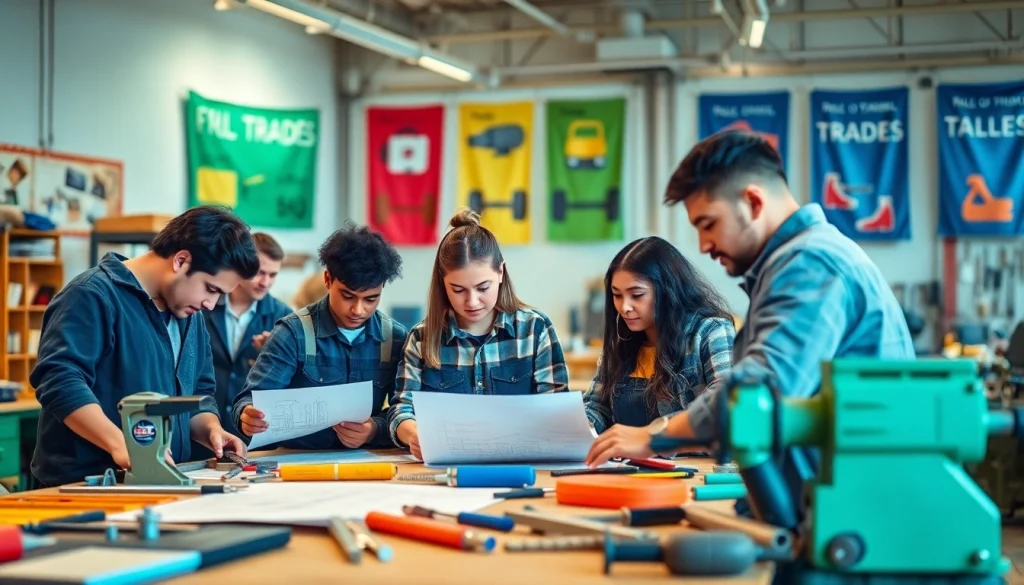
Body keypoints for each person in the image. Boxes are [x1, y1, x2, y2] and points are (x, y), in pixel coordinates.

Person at [585, 129, 914, 516]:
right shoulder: (797, 263)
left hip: (857, 506)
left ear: (753, 201)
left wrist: (654, 437)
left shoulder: (809, 266)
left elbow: (754, 396)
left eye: (708, 224)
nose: (704, 245)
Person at [30, 206, 259, 488]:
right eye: (211, 289)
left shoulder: (190, 315)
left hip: (160, 481)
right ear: (181, 260)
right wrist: (121, 444)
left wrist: (211, 429)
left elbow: (198, 391)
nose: (210, 304)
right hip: (84, 485)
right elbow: (60, 381)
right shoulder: (91, 295)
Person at [388, 209, 570, 460]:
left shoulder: (534, 329)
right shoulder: (422, 338)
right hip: (445, 470)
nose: (472, 301)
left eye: (483, 287)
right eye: (458, 289)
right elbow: (402, 408)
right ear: (443, 283)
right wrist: (411, 434)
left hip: (521, 464)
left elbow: (557, 411)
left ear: (501, 272)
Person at [232, 222, 407, 451]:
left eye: (371, 299)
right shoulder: (292, 333)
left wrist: (375, 429)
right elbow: (250, 400)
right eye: (347, 296)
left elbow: (405, 410)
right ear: (327, 280)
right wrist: (248, 416)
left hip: (367, 462)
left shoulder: (394, 338)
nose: (358, 309)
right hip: (297, 461)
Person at [583, 236, 735, 434]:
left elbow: (725, 402)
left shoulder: (711, 332)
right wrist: (586, 425)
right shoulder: (621, 343)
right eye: (617, 295)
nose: (625, 307)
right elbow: (598, 407)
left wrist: (650, 436)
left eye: (637, 295)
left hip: (693, 464)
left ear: (668, 291)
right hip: (628, 464)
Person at [196, 233, 292, 458]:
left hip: (255, 444)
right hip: (201, 434)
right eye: (260, 272)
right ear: (241, 265)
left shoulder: (284, 319)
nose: (265, 282)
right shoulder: (202, 304)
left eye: (273, 275)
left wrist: (276, 355)